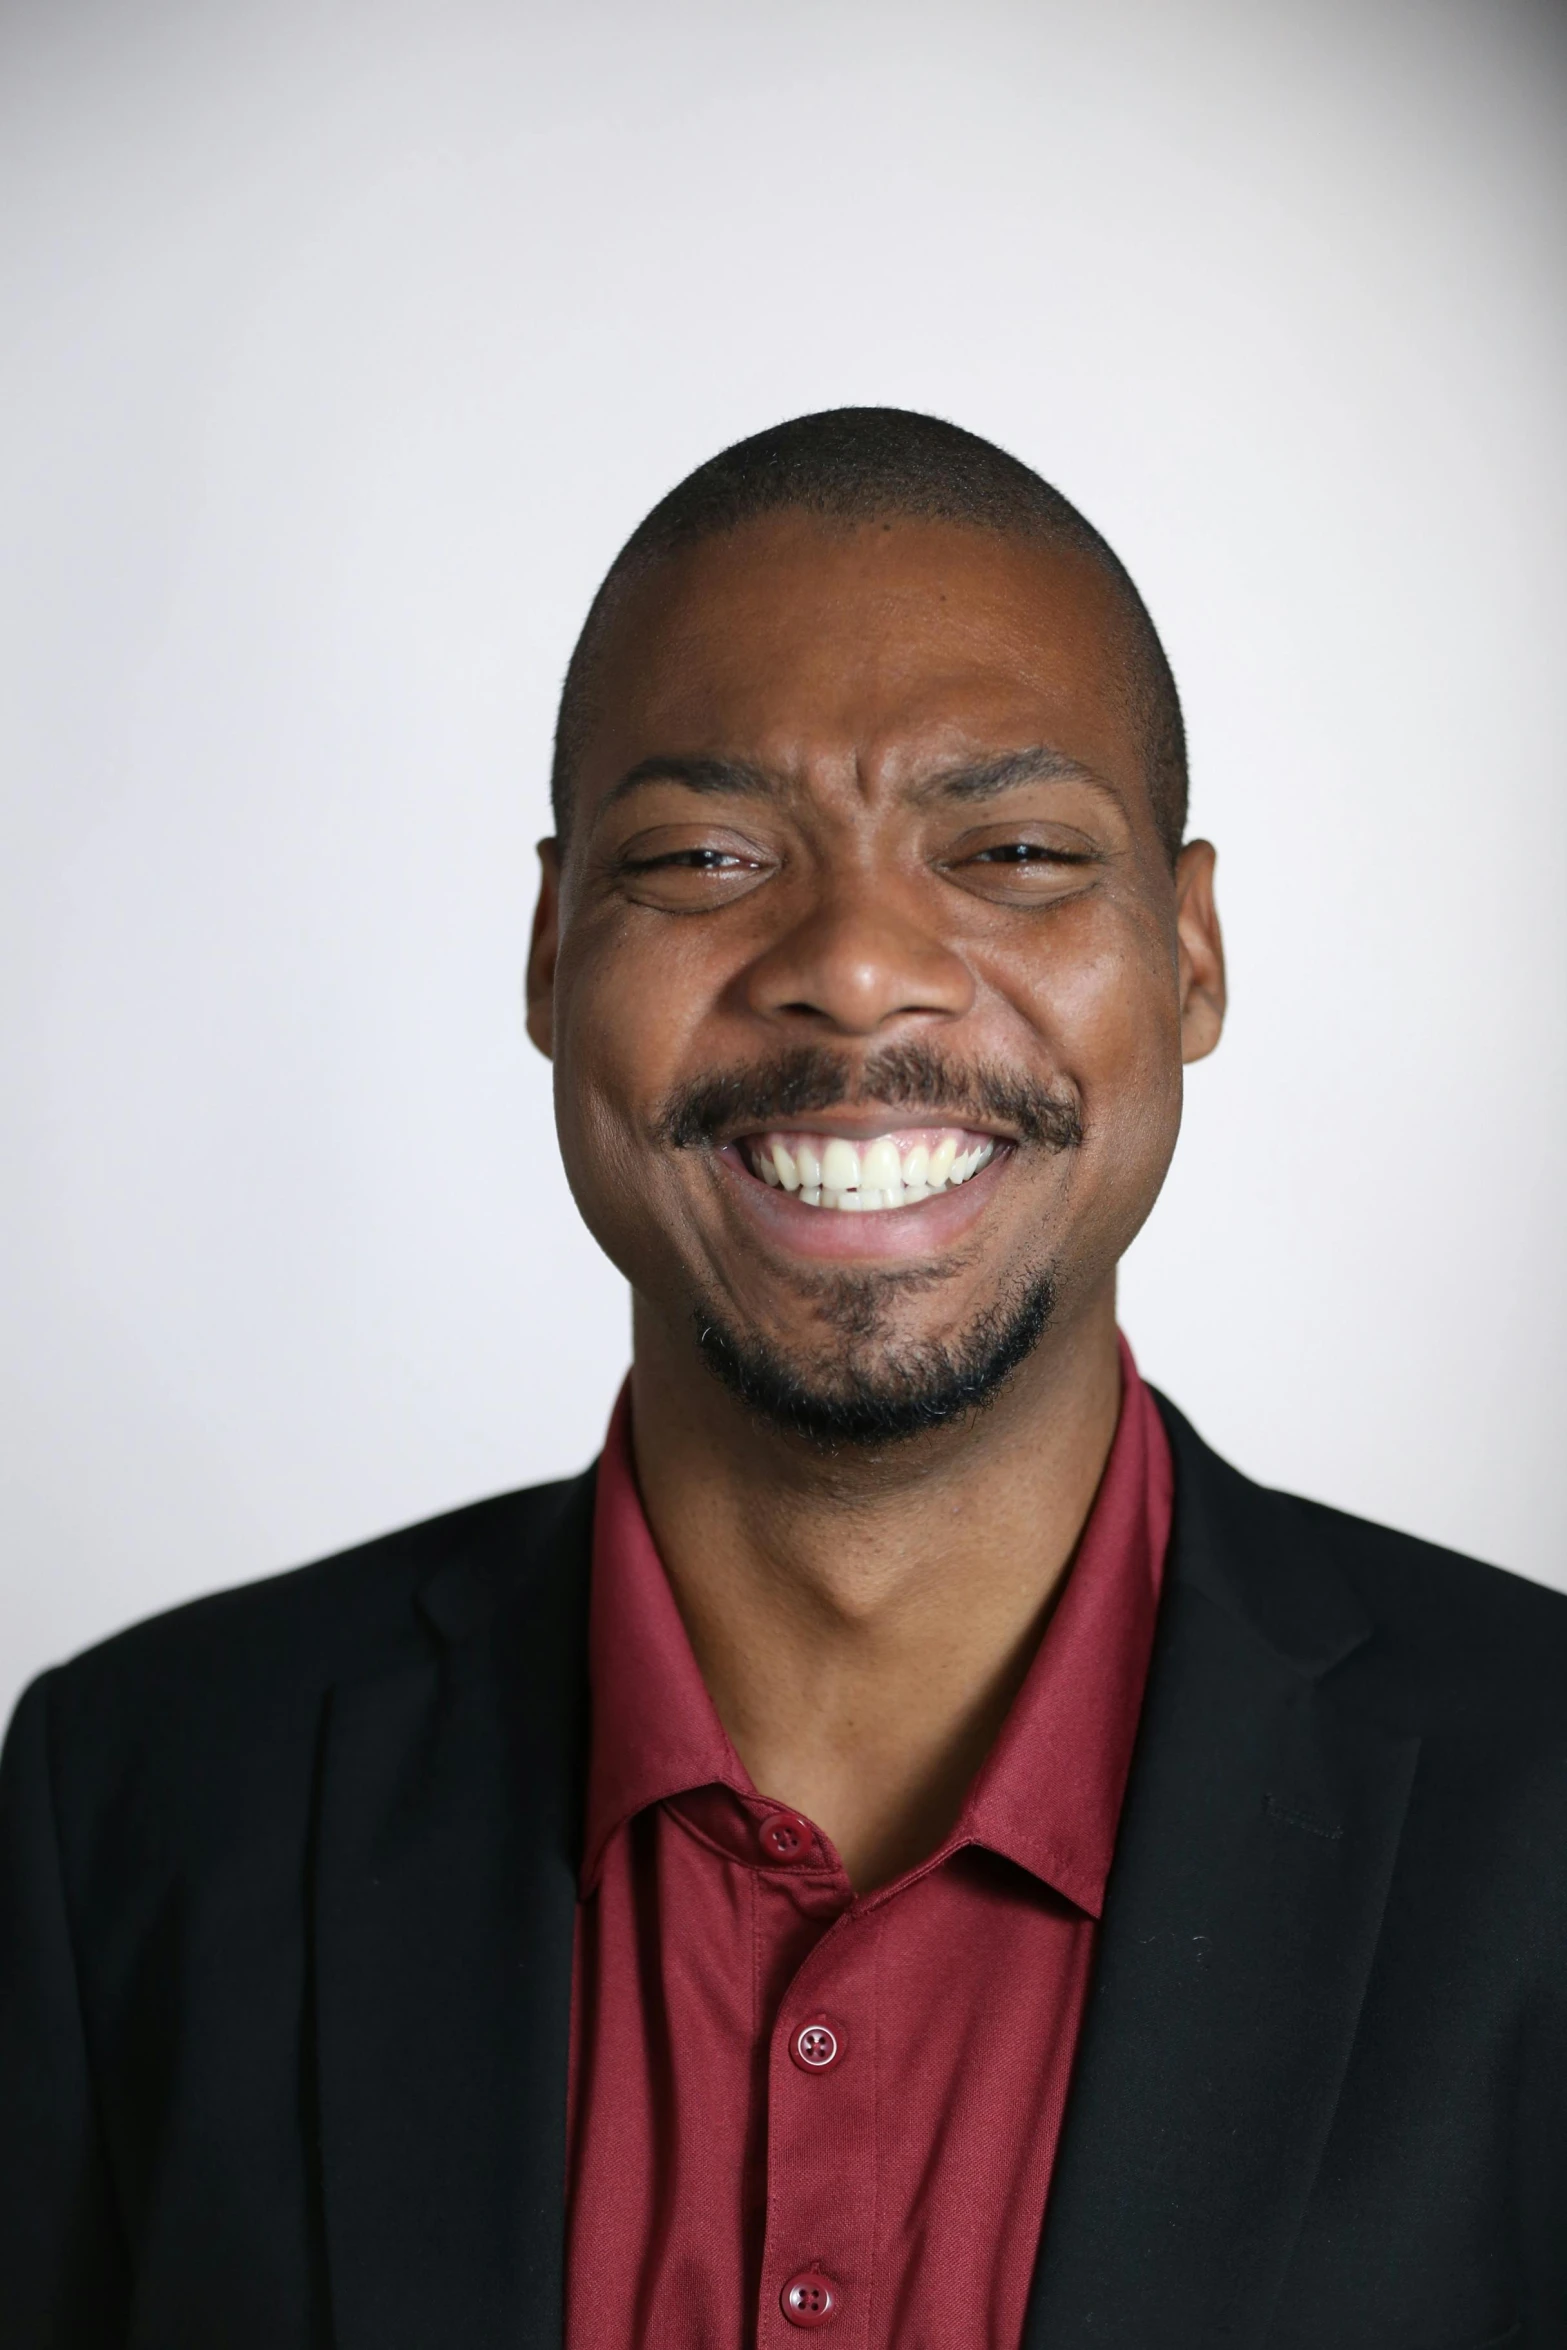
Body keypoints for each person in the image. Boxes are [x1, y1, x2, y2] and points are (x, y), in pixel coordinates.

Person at [2, 408, 1563, 2350]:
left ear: (1190, 954)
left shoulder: (1542, 1814)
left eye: (1007, 849)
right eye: (710, 853)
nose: (852, 965)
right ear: (554, 944)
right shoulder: (136, 1806)